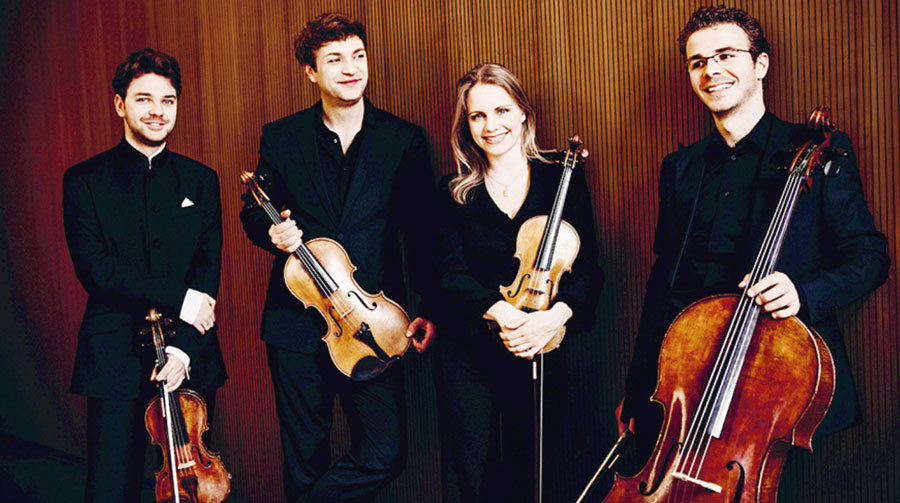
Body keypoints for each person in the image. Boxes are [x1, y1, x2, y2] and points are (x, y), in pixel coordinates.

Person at [617, 5, 890, 467]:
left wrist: (803, 292)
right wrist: (639, 387)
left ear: (760, 64)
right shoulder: (680, 168)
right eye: (698, 62)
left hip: (778, 386)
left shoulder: (816, 150)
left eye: (726, 55)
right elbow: (662, 283)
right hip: (688, 382)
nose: (711, 71)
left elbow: (870, 257)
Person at [239, 12, 437, 502]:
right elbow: (253, 209)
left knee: (385, 452)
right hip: (297, 321)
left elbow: (422, 234)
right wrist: (272, 231)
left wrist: (429, 306)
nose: (351, 68)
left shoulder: (403, 139)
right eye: (334, 59)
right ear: (310, 71)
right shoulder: (281, 137)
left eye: (358, 55)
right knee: (304, 455)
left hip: (374, 321)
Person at [62, 48, 227, 502]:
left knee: (188, 490)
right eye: (144, 99)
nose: (157, 111)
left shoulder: (201, 180)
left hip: (190, 353)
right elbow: (98, 270)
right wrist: (182, 299)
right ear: (120, 104)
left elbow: (207, 269)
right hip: (113, 355)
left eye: (167, 100)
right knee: (110, 487)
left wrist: (184, 348)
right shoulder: (84, 180)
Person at [434, 63, 603, 503]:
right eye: (478, 116)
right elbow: (448, 276)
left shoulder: (560, 176)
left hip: (542, 345)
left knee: (535, 474)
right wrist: (505, 314)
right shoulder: (454, 190)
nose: (492, 126)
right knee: (474, 478)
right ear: (466, 125)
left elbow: (587, 270)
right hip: (470, 352)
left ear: (524, 112)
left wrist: (552, 320)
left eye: (502, 111)